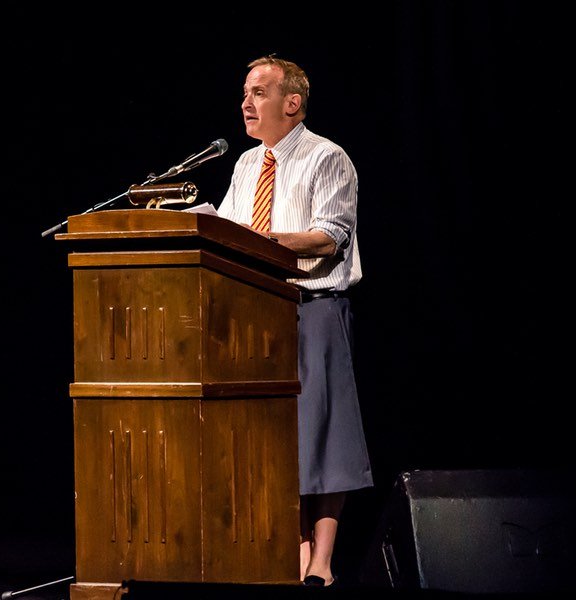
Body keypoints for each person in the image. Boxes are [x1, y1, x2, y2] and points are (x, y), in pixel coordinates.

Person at [217, 56, 374, 587]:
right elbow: (229, 228)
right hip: (256, 310)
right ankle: (293, 548)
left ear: (292, 103)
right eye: (245, 92)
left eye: (258, 92)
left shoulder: (326, 157)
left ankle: (322, 561)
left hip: (314, 307)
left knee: (324, 434)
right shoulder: (246, 163)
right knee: (277, 435)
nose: (246, 102)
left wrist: (262, 241)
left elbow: (329, 237)